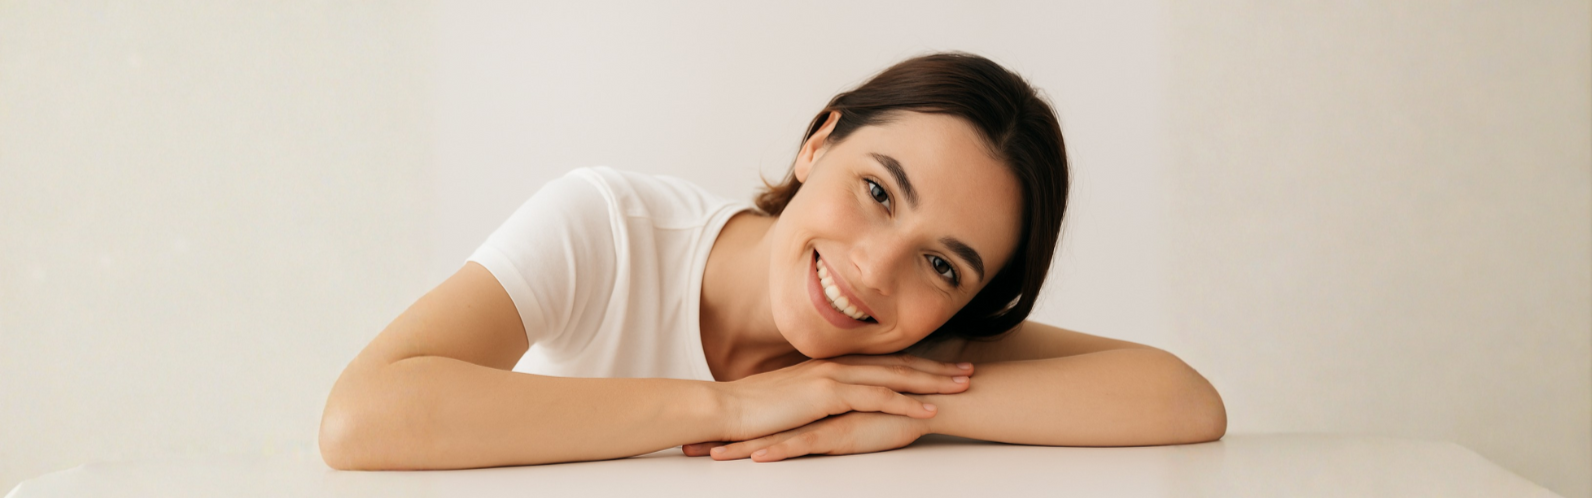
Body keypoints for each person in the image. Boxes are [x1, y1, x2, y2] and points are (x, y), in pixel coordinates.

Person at [318, 52, 1226, 470]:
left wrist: (892, 405)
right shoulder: (610, 227)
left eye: (944, 267)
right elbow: (363, 417)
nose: (875, 272)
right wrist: (732, 405)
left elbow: (1183, 399)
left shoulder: (899, 351)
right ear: (819, 141)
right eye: (878, 190)